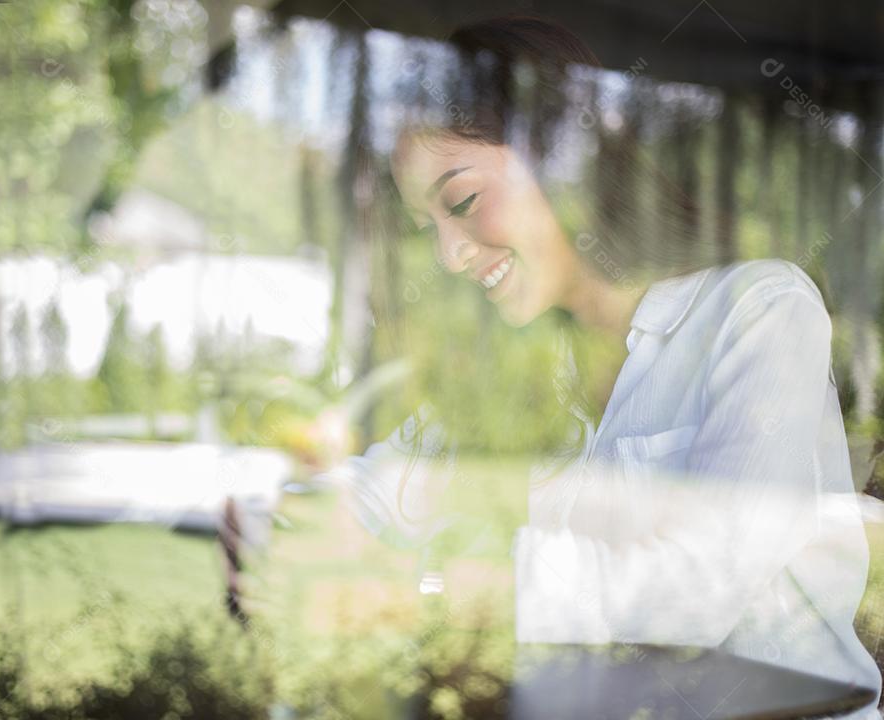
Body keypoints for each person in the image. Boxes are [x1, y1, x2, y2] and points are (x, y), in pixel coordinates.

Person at [347, 13, 882, 719]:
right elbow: (388, 491)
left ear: (564, 156)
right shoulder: (525, 361)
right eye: (429, 229)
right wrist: (290, 522)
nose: (450, 255)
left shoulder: (758, 309)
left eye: (463, 201)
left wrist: (456, 587)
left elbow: (703, 584)